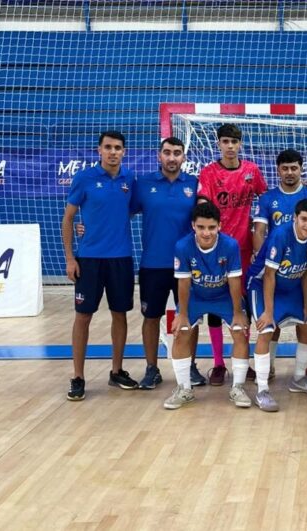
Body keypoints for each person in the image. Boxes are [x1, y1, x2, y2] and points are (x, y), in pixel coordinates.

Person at [62, 131, 138, 400]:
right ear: (99, 150)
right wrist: (71, 258)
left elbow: (139, 207)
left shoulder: (130, 179)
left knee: (120, 314)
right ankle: (78, 377)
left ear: (124, 151)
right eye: (108, 147)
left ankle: (116, 371)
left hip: (121, 259)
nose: (113, 152)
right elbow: (69, 218)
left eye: (118, 147)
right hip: (89, 260)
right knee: (83, 316)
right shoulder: (84, 178)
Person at [128, 137, 205, 389]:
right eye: (167, 153)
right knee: (151, 317)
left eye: (177, 153)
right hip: (153, 264)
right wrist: (89, 226)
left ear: (184, 157)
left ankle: (190, 366)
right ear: (159, 155)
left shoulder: (194, 185)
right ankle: (152, 369)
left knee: (189, 317)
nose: (172, 158)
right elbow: (118, 211)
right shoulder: (143, 184)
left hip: (187, 265)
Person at [197, 123, 268, 385]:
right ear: (218, 144)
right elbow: (203, 206)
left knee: (245, 308)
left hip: (247, 251)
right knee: (216, 308)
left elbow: (267, 200)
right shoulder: (208, 173)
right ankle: (218, 364)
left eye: (234, 141)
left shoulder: (251, 171)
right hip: (217, 252)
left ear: (240, 144)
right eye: (225, 141)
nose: (229, 146)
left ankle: (244, 361)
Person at [164, 202, 251, 409]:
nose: (206, 232)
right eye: (201, 227)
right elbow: (183, 283)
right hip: (196, 296)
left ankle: (238, 387)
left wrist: (238, 312)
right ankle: (184, 389)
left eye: (211, 227)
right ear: (193, 225)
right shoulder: (182, 246)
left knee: (240, 331)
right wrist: (182, 314)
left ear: (219, 226)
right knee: (181, 331)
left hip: (223, 296)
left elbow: (234, 280)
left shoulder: (230, 246)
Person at [251, 149, 307, 379]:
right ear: (278, 170)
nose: (289, 172)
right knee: (270, 322)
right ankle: (268, 368)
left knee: (305, 321)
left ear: (301, 169)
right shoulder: (268, 198)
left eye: (294, 167)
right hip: (275, 268)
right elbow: (259, 230)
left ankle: (302, 371)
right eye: (284, 168)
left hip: (301, 269)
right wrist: (261, 255)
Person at [248, 199, 307, 410]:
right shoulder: (280, 235)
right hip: (262, 285)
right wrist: (269, 312)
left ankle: (298, 379)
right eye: (304, 219)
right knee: (267, 329)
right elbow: (269, 275)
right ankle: (262, 390)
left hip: (292, 286)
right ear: (295, 218)